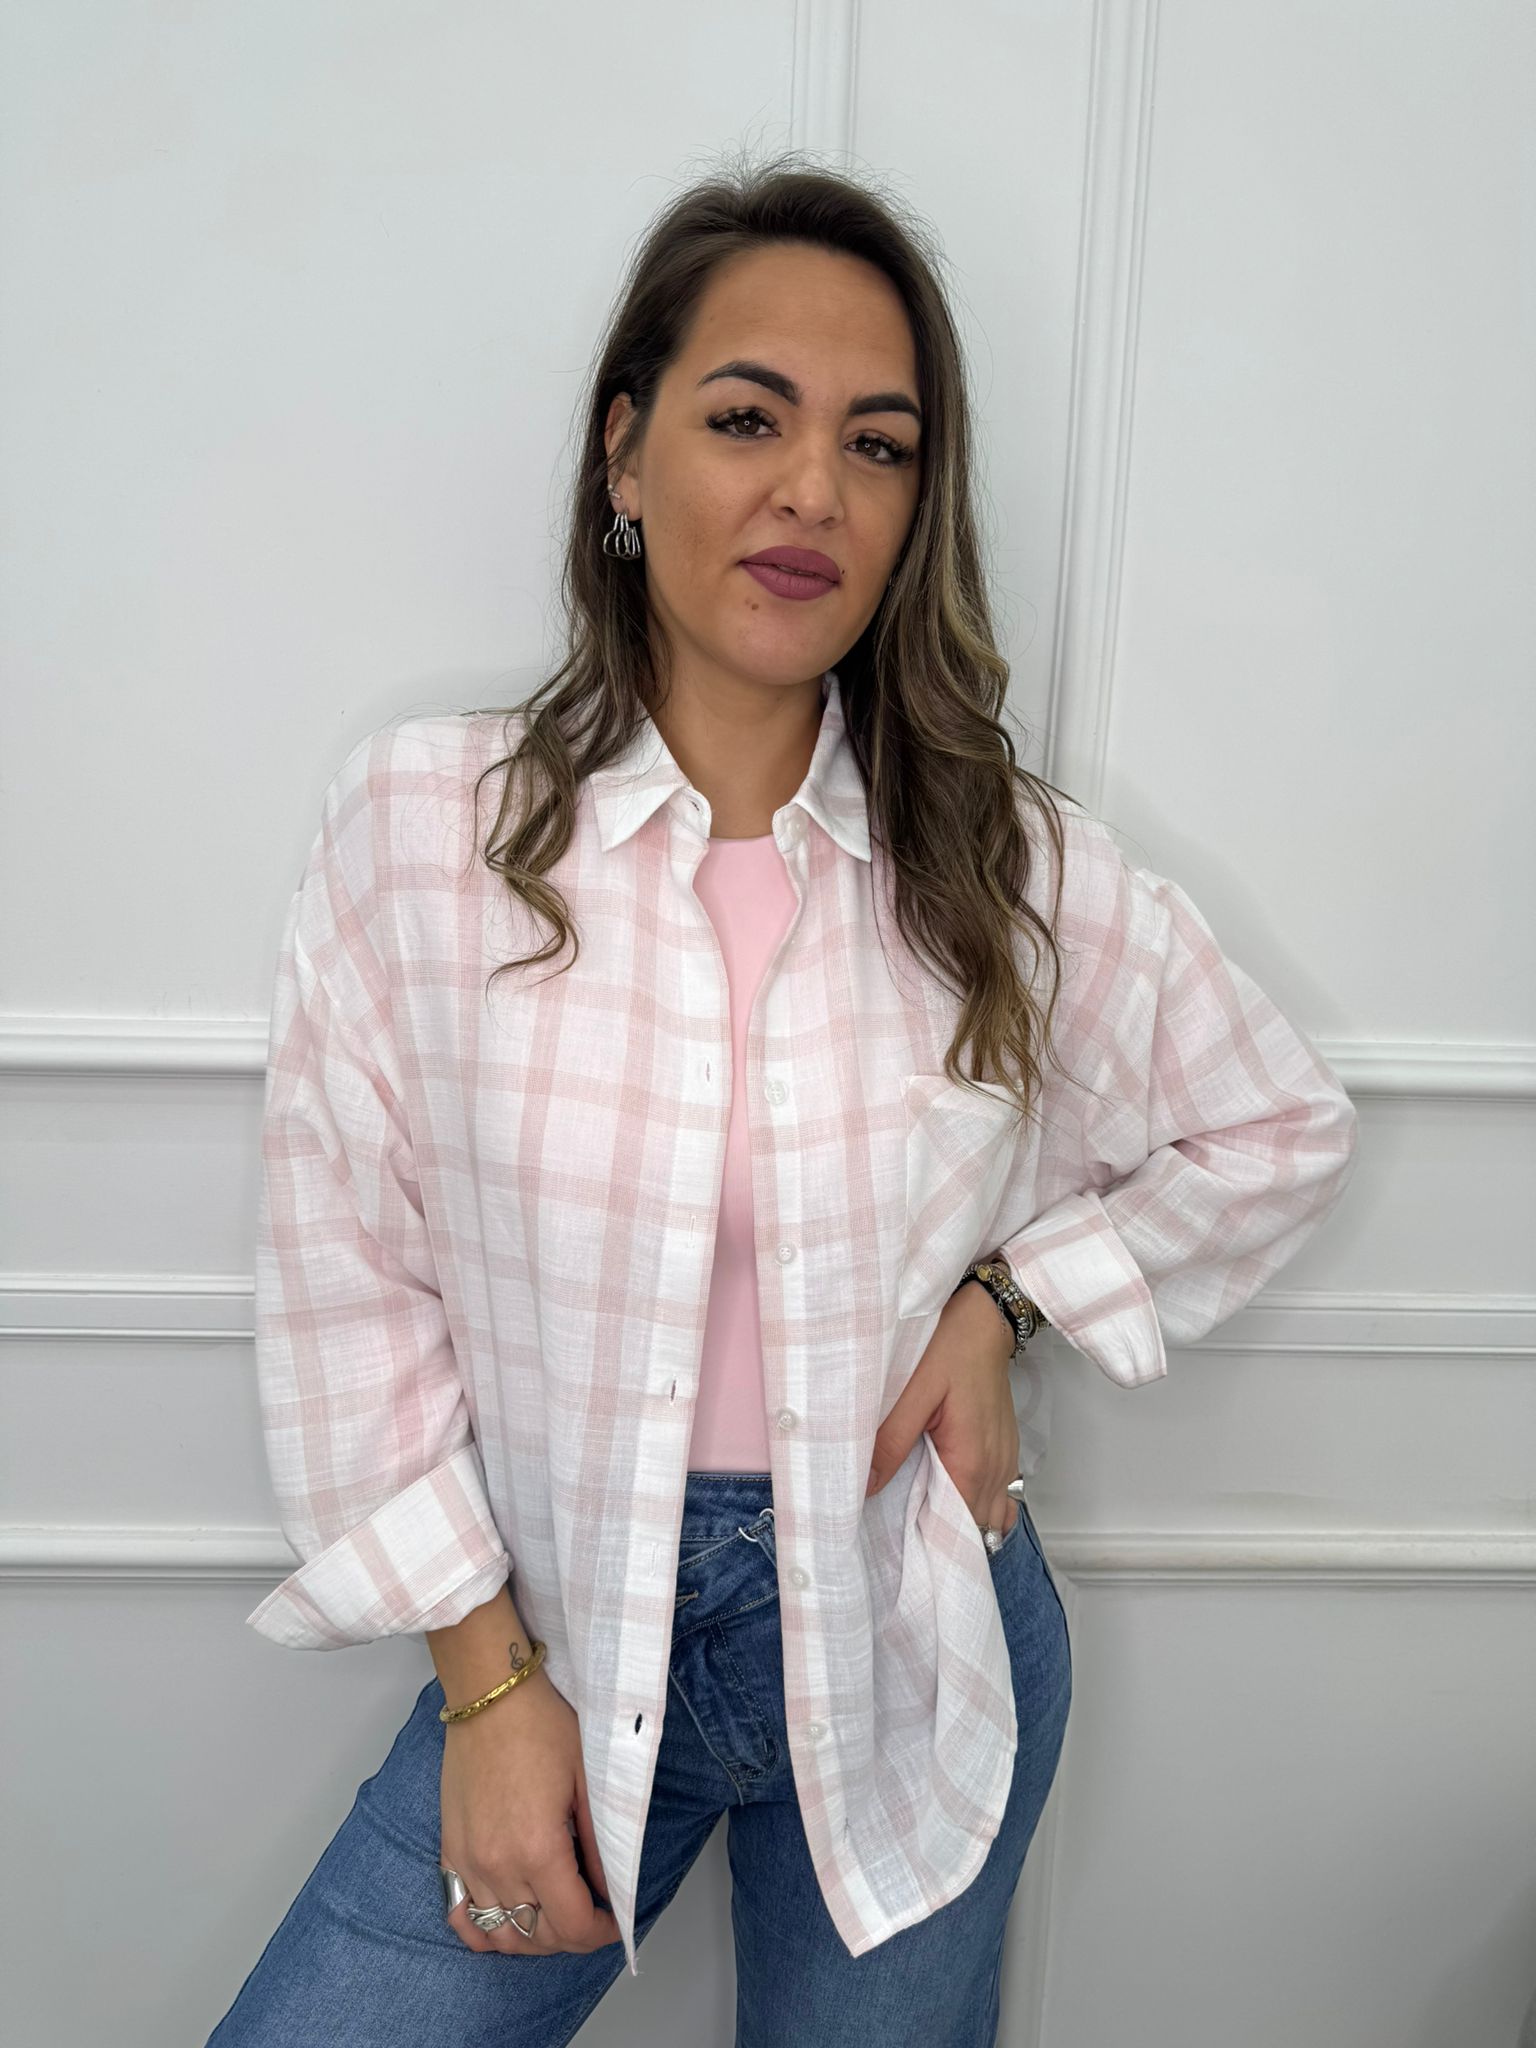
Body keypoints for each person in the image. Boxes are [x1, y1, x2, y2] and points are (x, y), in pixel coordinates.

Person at [205, 150, 1359, 2047]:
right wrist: (485, 1687)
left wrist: (1010, 1301)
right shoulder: (430, 830)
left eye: (878, 445)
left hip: (913, 1635)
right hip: (564, 1636)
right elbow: (351, 1278)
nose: (815, 488)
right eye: (750, 418)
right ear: (624, 453)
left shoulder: (1000, 866)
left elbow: (1278, 1125)